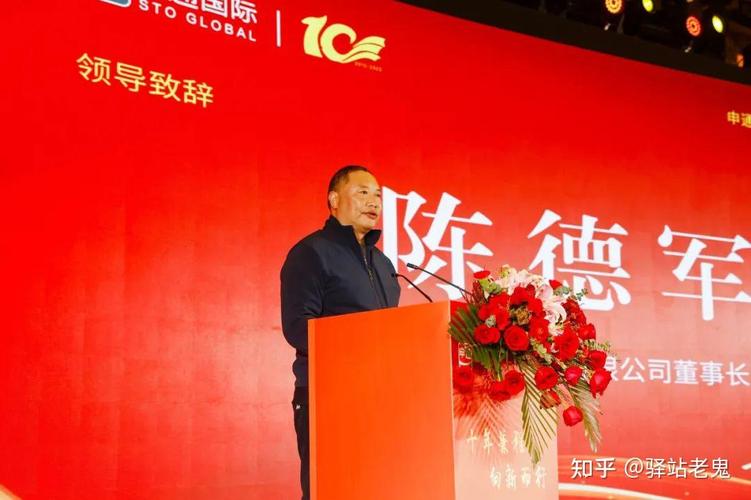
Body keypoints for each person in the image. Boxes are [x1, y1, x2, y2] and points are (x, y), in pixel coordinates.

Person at [280, 165, 401, 500]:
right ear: (334, 200)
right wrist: (356, 346)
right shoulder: (311, 253)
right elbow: (298, 327)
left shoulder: (384, 264)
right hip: (327, 395)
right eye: (362, 192)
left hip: (378, 395)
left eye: (377, 195)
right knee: (331, 490)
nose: (373, 202)